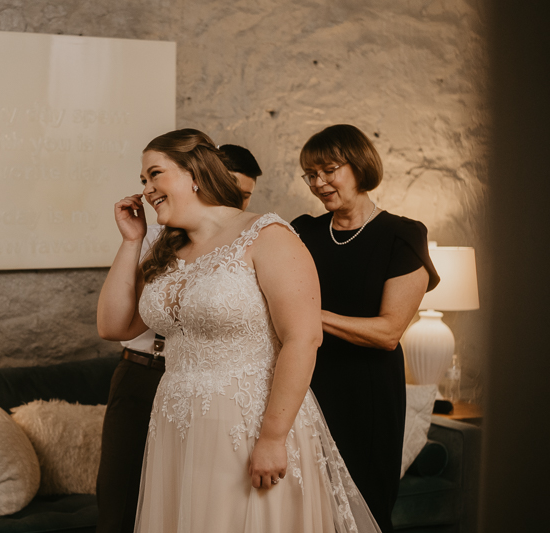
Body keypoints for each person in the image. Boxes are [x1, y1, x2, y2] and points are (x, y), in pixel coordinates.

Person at [97, 128, 381, 533]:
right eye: (143, 180)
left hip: (247, 424)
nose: (146, 189)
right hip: (177, 426)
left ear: (194, 172)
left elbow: (304, 338)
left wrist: (272, 437)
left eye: (155, 174)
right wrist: (131, 241)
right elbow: (113, 325)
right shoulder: (167, 251)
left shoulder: (267, 235)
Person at [95, 144, 264, 533]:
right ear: (201, 178)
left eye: (244, 193)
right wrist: (131, 241)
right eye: (229, 186)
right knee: (121, 499)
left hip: (217, 391)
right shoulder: (159, 235)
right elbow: (111, 327)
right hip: (143, 372)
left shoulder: (250, 240)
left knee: (201, 505)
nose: (235, 199)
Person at [291, 124, 440, 533]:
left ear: (359, 166)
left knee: (365, 508)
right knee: (307, 510)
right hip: (305, 387)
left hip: (367, 393)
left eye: (328, 170)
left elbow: (388, 332)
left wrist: (308, 313)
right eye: (310, 174)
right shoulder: (302, 231)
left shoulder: (402, 235)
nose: (318, 183)